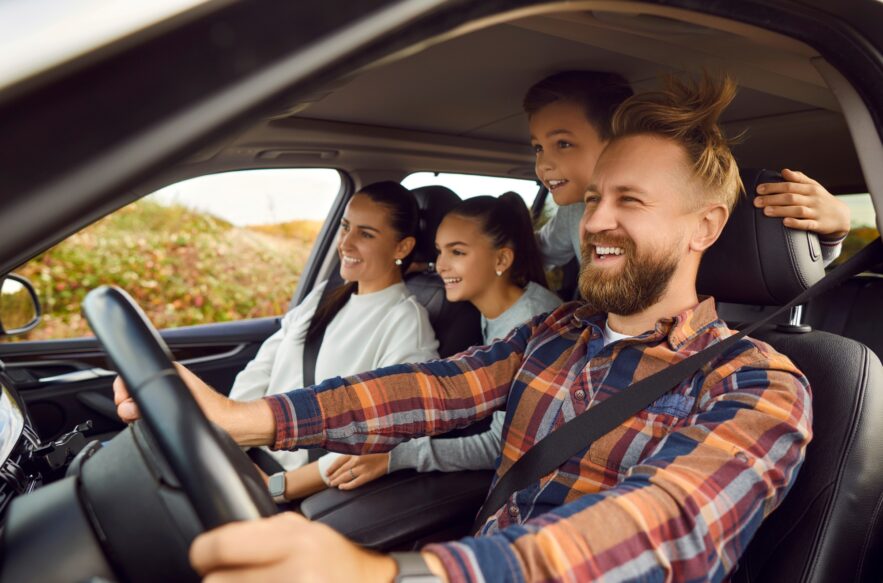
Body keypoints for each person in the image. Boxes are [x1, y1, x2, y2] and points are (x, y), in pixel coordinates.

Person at [116, 76, 812, 582]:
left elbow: (670, 522)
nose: (596, 220)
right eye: (595, 196)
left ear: (706, 227)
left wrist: (398, 575)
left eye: (629, 199)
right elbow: (434, 386)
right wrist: (247, 417)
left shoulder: (757, 381)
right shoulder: (559, 330)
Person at [308, 193, 562, 494]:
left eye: (457, 252)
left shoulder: (533, 322)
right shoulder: (499, 306)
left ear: (502, 259)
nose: (441, 265)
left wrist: (396, 456)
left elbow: (502, 444)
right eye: (439, 252)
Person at [225, 180, 439, 493]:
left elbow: (391, 434)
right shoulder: (325, 296)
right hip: (244, 458)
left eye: (365, 234)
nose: (346, 244)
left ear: (402, 248)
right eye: (345, 227)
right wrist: (228, 438)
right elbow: (263, 367)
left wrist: (279, 487)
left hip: (288, 487)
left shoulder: (405, 322)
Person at [527, 71, 850, 269]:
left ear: (618, 141)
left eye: (563, 144)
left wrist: (834, 231)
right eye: (538, 147)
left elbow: (774, 259)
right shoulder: (574, 214)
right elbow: (538, 251)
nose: (543, 163)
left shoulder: (682, 207)